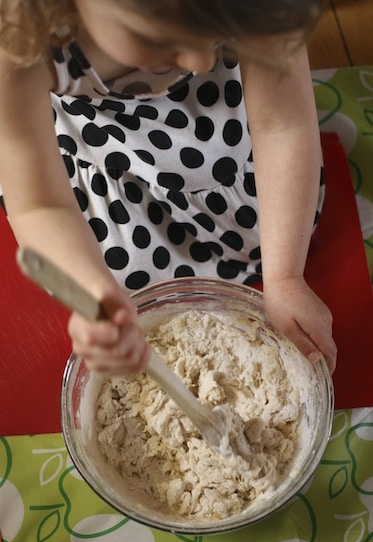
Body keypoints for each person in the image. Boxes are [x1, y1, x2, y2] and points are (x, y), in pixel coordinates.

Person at [0, 0, 337, 377]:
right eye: (153, 37)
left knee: (275, 233)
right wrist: (95, 299)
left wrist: (285, 277)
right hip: (105, 166)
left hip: (230, 155)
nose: (200, 61)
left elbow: (283, 126)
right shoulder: (17, 44)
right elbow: (39, 204)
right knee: (119, 278)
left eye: (213, 32)